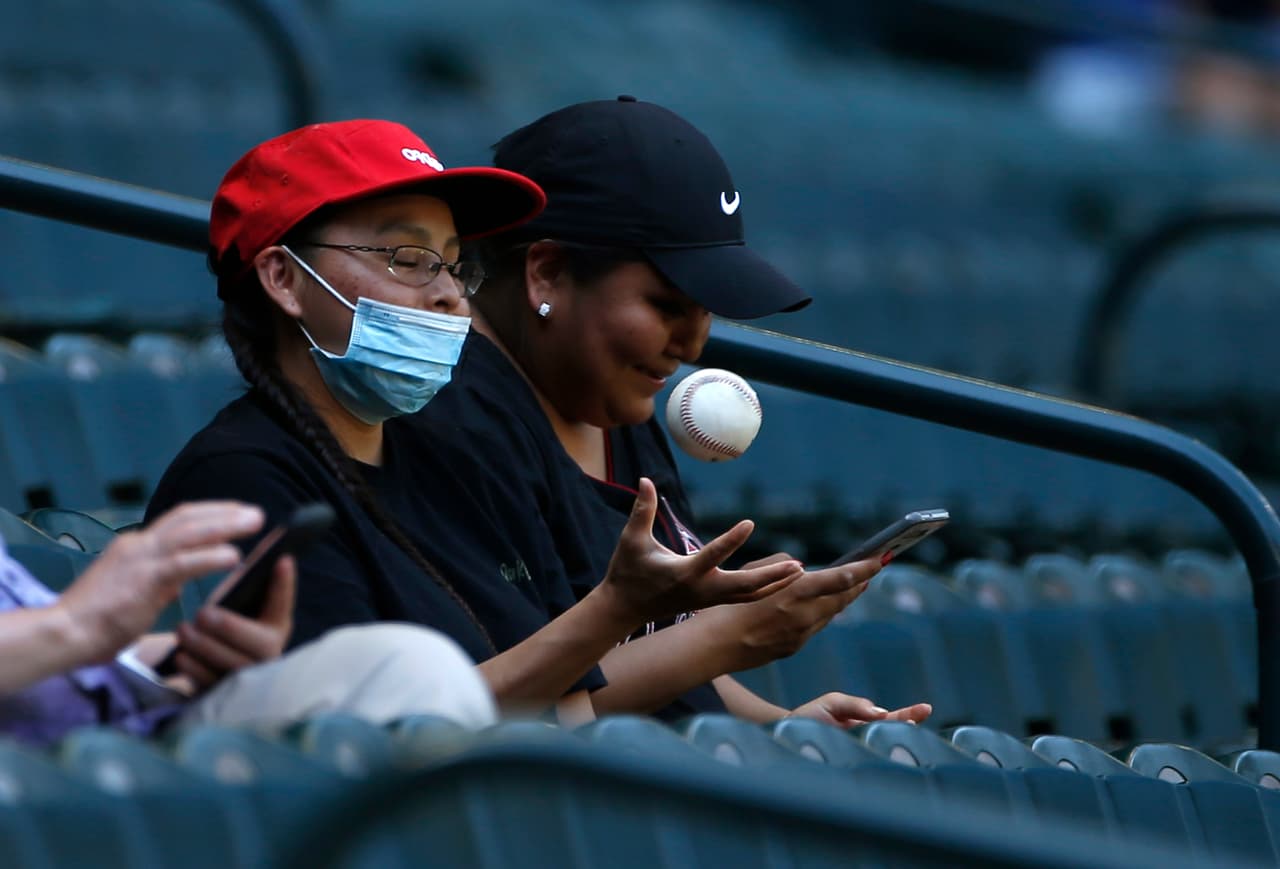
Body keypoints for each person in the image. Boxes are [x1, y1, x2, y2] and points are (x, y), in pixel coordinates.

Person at [145, 119, 800, 724]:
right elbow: (355, 746)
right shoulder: (240, 481)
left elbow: (568, 716)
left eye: (454, 262)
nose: (446, 293)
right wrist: (620, 608)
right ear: (285, 278)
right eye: (408, 258)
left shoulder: (445, 458)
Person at [413, 97, 933, 726]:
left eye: (705, 308)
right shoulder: (450, 420)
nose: (692, 345)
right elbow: (518, 712)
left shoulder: (612, 403)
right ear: (546, 273)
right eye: (667, 305)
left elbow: (655, 655)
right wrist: (725, 636)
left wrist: (782, 726)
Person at [1, 501, 495, 745]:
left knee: (407, 666)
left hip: (126, 721)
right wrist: (72, 626)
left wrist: (179, 657)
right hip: (39, 772)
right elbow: (64, 630)